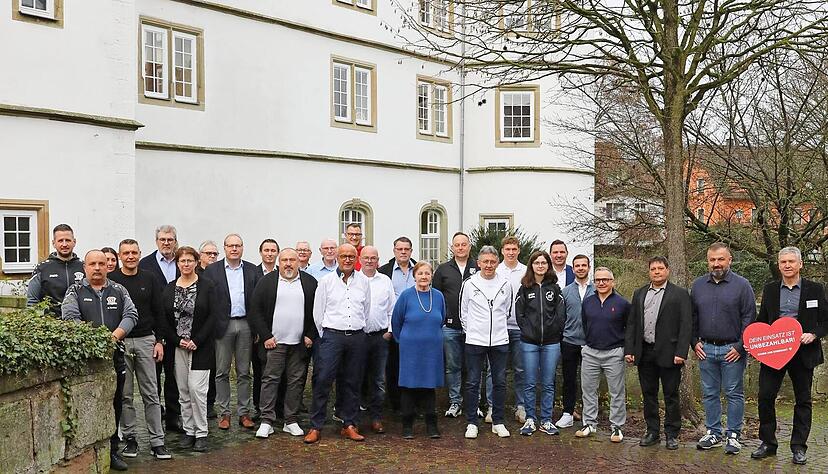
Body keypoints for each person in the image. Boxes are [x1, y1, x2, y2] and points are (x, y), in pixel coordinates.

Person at [61, 250, 138, 471]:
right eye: (92, 264)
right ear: (84, 267)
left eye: (101, 264)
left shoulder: (119, 290)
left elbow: (131, 315)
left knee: (115, 404)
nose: (97, 267)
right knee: (86, 405)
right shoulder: (74, 291)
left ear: (107, 266)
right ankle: (84, 453)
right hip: (87, 361)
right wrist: (95, 341)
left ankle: (112, 451)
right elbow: (70, 318)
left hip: (115, 357)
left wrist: (113, 337)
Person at [751, 246, 828, 465]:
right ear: (779, 264)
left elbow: (825, 320)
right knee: (765, 396)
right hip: (774, 352)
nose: (786, 265)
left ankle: (798, 447)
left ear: (800, 264)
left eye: (791, 262)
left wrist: (813, 334)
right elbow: (762, 320)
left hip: (803, 353)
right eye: (783, 262)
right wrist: (753, 340)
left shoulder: (815, 289)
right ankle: (768, 443)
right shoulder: (771, 289)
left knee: (802, 400)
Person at [109, 239, 172, 460]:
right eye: (125, 253)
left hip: (147, 340)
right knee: (125, 394)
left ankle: (157, 441)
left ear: (139, 253)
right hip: (122, 343)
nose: (130, 256)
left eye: (134, 252)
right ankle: (131, 439)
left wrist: (159, 341)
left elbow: (160, 311)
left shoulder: (150, 278)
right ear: (119, 255)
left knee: (151, 393)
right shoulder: (113, 281)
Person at [692, 242, 756, 454]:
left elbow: (749, 318)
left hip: (733, 350)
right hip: (706, 349)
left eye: (721, 259)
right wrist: (694, 342)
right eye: (712, 260)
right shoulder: (698, 285)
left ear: (730, 260)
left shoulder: (742, 285)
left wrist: (741, 346)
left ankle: (734, 435)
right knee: (709, 393)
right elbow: (692, 317)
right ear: (707, 261)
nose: (716, 263)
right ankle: (713, 433)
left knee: (733, 393)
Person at [304, 244, 371, 444]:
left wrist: (358, 330)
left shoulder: (364, 282)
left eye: (351, 256)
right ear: (338, 258)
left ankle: (349, 424)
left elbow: (366, 310)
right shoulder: (326, 282)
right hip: (332, 337)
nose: (348, 259)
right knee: (323, 379)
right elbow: (318, 312)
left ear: (356, 257)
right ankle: (316, 426)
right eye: (344, 256)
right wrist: (327, 334)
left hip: (357, 337)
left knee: (352, 381)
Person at [248, 249, 318, 438]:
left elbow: (318, 311)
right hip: (274, 343)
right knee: (270, 380)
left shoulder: (310, 283)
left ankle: (291, 420)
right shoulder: (267, 282)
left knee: (296, 382)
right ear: (280, 262)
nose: (288, 263)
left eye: (292, 260)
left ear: (298, 262)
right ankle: (266, 420)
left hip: (299, 344)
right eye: (284, 260)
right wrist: (265, 336)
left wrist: (311, 335)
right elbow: (255, 311)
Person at [625, 256, 692, 450]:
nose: (656, 271)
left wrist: (681, 352)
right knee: (649, 394)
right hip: (645, 352)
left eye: (660, 268)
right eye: (653, 268)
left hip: (670, 353)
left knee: (671, 395)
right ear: (649, 271)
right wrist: (630, 349)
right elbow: (632, 324)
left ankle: (672, 434)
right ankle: (652, 431)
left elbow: (686, 325)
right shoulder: (639, 293)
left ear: (667, 270)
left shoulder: (680, 294)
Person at [162, 246, 219, 453]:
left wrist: (197, 340)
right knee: (183, 391)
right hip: (178, 346)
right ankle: (189, 431)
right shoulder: (169, 288)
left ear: (196, 262)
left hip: (201, 346)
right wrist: (177, 340)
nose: (186, 264)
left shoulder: (208, 286)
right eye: (182, 261)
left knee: (197, 390)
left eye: (189, 260)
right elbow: (164, 320)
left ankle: (202, 432)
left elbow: (214, 316)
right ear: (177, 264)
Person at [204, 233, 261, 430]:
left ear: (243, 248)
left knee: (245, 372)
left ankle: (244, 413)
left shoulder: (253, 270)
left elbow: (258, 301)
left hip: (246, 324)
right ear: (225, 248)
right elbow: (208, 301)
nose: (234, 249)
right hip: (223, 325)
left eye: (238, 245)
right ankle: (224, 413)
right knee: (221, 371)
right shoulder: (212, 271)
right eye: (230, 246)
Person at [460, 245, 513, 439]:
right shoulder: (469, 284)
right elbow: (463, 312)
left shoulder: (505, 284)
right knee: (473, 382)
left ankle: (498, 421)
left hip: (499, 340)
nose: (489, 265)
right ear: (479, 263)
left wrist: (497, 329)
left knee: (499, 382)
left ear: (497, 263)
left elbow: (507, 311)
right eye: (485, 262)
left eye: (492, 261)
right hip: (475, 340)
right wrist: (473, 331)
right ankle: (472, 422)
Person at [575, 267, 630, 443]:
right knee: (588, 391)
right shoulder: (588, 302)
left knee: (617, 392)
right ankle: (589, 424)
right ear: (594, 282)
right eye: (598, 280)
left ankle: (617, 427)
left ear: (612, 281)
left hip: (614, 353)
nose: (601, 283)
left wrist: (626, 351)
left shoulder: (622, 303)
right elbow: (585, 324)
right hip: (590, 352)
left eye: (605, 279)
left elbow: (629, 329)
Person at [392, 261, 445, 439]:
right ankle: (407, 425)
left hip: (432, 349)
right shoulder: (406, 296)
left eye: (427, 273)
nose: (424, 276)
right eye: (420, 273)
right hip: (410, 349)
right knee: (409, 386)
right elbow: (396, 321)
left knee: (429, 386)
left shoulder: (438, 296)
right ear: (414, 275)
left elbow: (441, 318)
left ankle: (432, 425)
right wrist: (403, 341)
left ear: (431, 276)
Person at [514, 251, 565, 436]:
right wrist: (528, 331)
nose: (540, 266)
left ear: (548, 266)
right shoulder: (525, 288)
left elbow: (561, 314)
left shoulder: (554, 288)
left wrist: (555, 330)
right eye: (537, 263)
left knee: (548, 383)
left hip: (551, 342)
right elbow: (519, 314)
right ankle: (530, 419)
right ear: (531, 266)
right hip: (529, 343)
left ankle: (546, 420)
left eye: (544, 262)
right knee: (529, 382)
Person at [139, 225, 182, 433]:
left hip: (176, 329)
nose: (166, 243)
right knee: (152, 377)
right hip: (153, 328)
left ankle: (174, 417)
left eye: (170, 239)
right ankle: (155, 420)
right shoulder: (145, 264)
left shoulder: (182, 262)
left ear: (175, 241)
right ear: (156, 241)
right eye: (163, 239)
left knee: (173, 376)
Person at [433, 232, 478, 418]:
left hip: (475, 328)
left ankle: (474, 404)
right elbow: (435, 297)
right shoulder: (443, 269)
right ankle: (455, 402)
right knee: (453, 366)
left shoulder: (478, 267)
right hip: (450, 327)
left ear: (469, 246)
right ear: (452, 247)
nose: (460, 248)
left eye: (464, 244)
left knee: (474, 367)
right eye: (457, 245)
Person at [490, 235, 527, 424]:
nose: (511, 252)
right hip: (499, 328)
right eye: (507, 249)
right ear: (502, 251)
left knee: (521, 369)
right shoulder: (496, 271)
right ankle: (491, 406)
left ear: (518, 250)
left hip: (520, 328)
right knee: (495, 370)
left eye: (514, 249)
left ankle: (520, 406)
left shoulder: (526, 271)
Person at [359, 246, 396, 433]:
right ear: (360, 258)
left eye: (373, 258)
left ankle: (376, 417)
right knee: (355, 377)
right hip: (358, 338)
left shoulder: (385, 281)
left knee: (379, 380)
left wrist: (389, 331)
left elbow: (392, 309)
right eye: (366, 257)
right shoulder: (353, 280)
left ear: (378, 260)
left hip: (380, 337)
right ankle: (353, 419)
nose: (369, 261)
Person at [378, 236, 417, 413]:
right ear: (394, 251)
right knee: (393, 365)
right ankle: (395, 403)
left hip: (416, 326)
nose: (403, 252)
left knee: (414, 364)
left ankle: (414, 402)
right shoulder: (385, 271)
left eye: (406, 249)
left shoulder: (419, 269)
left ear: (411, 251)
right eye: (399, 249)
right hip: (394, 326)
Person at [557, 254, 594, 428]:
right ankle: (567, 413)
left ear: (588, 267)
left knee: (589, 381)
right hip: (570, 341)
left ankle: (589, 415)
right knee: (569, 379)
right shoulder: (565, 292)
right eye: (577, 265)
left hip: (591, 343)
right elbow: (561, 317)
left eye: (583, 265)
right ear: (573, 268)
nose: (580, 268)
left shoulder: (597, 290)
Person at [26, 224, 84, 314]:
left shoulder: (84, 267)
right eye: (60, 241)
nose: (64, 244)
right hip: (52, 324)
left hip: (81, 323)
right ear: (54, 243)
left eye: (68, 240)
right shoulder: (42, 269)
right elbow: (32, 302)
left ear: (74, 242)